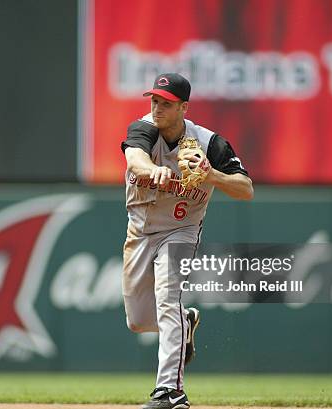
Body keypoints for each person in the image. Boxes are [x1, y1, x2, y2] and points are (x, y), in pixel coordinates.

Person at [121, 73, 253, 409]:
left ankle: (170, 392)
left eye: (166, 103)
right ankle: (187, 320)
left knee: (167, 298)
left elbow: (245, 189)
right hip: (140, 229)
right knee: (138, 321)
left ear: (184, 107)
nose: (157, 108)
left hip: (181, 230)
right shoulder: (143, 128)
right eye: (154, 100)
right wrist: (154, 170)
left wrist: (212, 175)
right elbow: (135, 159)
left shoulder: (209, 144)